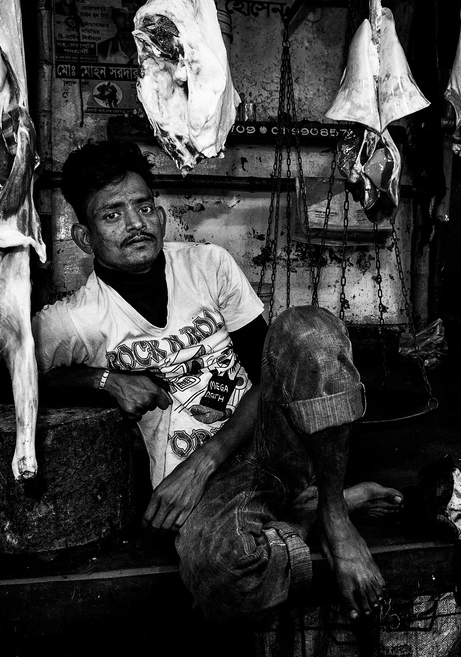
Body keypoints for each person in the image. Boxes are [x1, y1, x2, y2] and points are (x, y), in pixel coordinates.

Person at [32, 141, 403, 622]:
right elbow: (3, 375)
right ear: (84, 238)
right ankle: (311, 513)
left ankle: (333, 515)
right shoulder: (75, 320)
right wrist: (102, 379)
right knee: (222, 569)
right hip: (215, 492)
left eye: (145, 207)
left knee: (308, 329)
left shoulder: (208, 264)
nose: (137, 224)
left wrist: (204, 462)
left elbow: (269, 377)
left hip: (270, 442)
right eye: (113, 215)